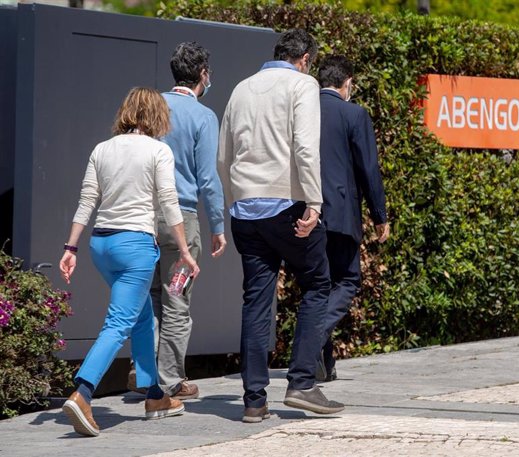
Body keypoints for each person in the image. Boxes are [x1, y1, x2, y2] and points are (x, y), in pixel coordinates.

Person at [217, 28, 344, 423]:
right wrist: (315, 202)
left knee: (256, 301)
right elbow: (305, 147)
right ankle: (302, 383)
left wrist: (233, 198)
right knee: (318, 284)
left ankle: (254, 400)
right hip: (286, 205)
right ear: (304, 58)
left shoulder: (241, 88)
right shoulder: (302, 84)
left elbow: (223, 156)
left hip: (245, 211)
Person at [59, 87, 200, 437]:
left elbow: (87, 199)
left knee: (141, 318)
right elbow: (169, 203)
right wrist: (184, 250)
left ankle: (155, 397)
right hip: (136, 245)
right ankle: (83, 392)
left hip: (100, 245)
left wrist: (70, 248)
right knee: (119, 323)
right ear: (157, 117)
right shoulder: (158, 150)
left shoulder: (102, 149)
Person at [128, 42, 227, 400]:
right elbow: (208, 179)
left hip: (141, 215)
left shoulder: (151, 108)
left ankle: (143, 371)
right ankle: (169, 381)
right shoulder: (203, 116)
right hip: (180, 221)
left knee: (148, 296)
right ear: (203, 74)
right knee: (176, 298)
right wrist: (218, 225)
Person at [315, 55, 389, 382]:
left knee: (319, 286)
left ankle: (324, 365)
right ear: (347, 82)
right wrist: (379, 216)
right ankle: (312, 339)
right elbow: (368, 168)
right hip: (341, 214)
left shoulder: (303, 111)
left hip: (304, 213)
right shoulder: (354, 113)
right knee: (347, 281)